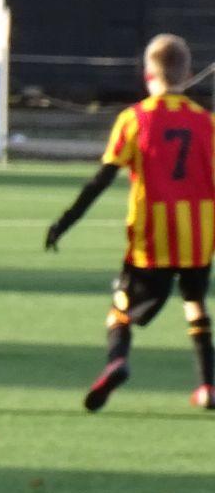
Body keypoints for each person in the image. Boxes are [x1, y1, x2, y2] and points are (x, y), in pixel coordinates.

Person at [46, 34, 215, 413]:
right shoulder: (207, 123)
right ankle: (208, 386)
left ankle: (117, 361)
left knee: (120, 309)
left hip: (152, 237)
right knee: (195, 302)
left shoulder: (134, 119)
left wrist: (66, 221)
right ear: (188, 74)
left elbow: (101, 180)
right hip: (199, 235)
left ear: (147, 75)